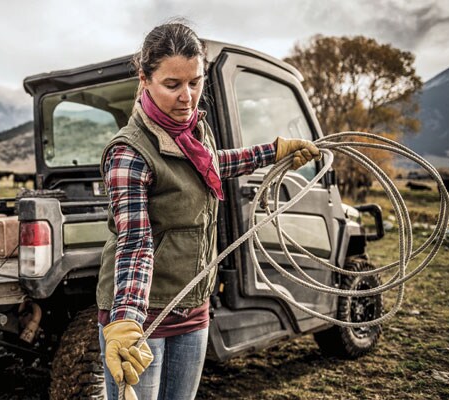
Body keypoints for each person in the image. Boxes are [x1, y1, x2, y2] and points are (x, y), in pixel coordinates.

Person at [97, 21, 320, 400]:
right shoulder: (129, 154)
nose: (188, 97)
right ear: (144, 79)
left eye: (195, 82)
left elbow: (215, 163)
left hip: (193, 307)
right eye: (173, 85)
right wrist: (127, 321)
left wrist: (273, 152)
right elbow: (135, 243)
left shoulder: (196, 133)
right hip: (143, 317)